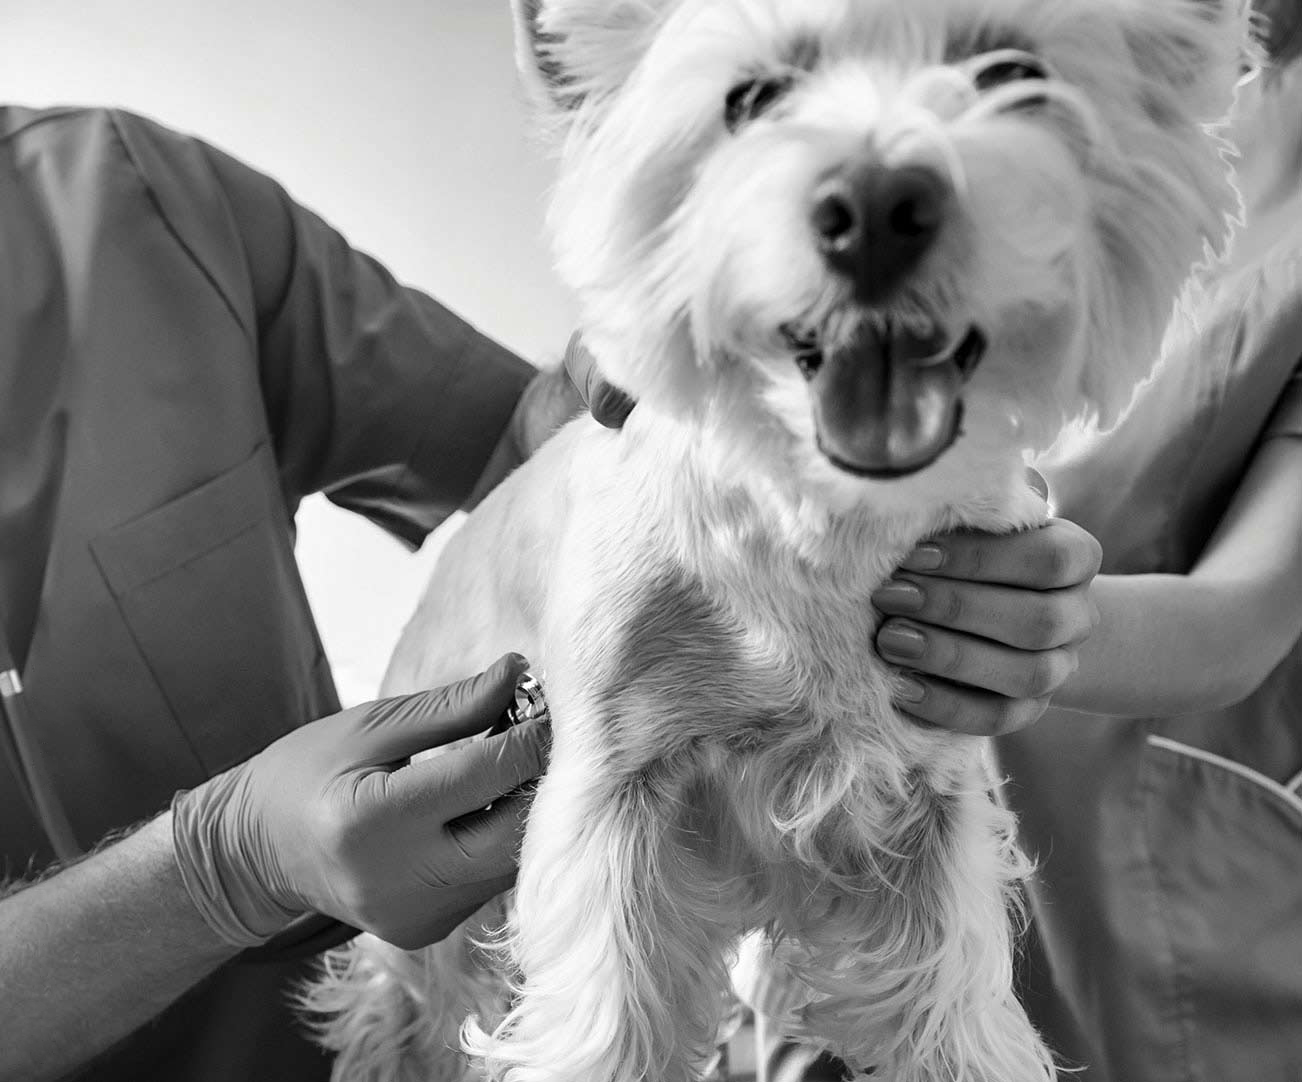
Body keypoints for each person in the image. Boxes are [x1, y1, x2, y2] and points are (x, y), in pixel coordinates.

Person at [0, 104, 571, 1082]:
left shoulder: (132, 201)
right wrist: (215, 871)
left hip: (346, 1045)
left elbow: (529, 453)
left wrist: (650, 398)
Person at [868, 6, 1302, 1078]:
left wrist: (1024, 622)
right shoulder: (1019, 67)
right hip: (875, 836)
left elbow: (1241, 616)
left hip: (1146, 906)